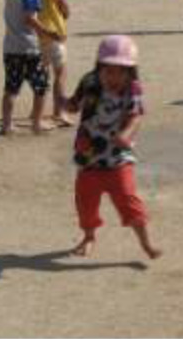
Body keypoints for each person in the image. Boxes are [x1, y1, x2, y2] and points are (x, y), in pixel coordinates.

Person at [64, 35, 162, 260]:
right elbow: (74, 104)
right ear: (99, 67)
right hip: (88, 158)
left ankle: (147, 244)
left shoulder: (133, 89)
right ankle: (88, 237)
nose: (114, 77)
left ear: (131, 72)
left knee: (128, 200)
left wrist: (126, 135)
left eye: (121, 71)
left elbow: (136, 117)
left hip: (118, 158)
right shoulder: (89, 81)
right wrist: (65, 104)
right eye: (109, 71)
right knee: (85, 203)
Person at [1, 0, 63, 135]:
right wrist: (48, 32)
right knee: (41, 86)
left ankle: (6, 125)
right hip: (28, 48)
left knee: (11, 88)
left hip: (10, 47)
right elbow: (30, 19)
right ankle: (37, 123)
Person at [30, 0, 72, 127]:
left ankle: (36, 111)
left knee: (41, 74)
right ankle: (59, 111)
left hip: (35, 34)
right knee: (60, 72)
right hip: (54, 34)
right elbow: (65, 9)